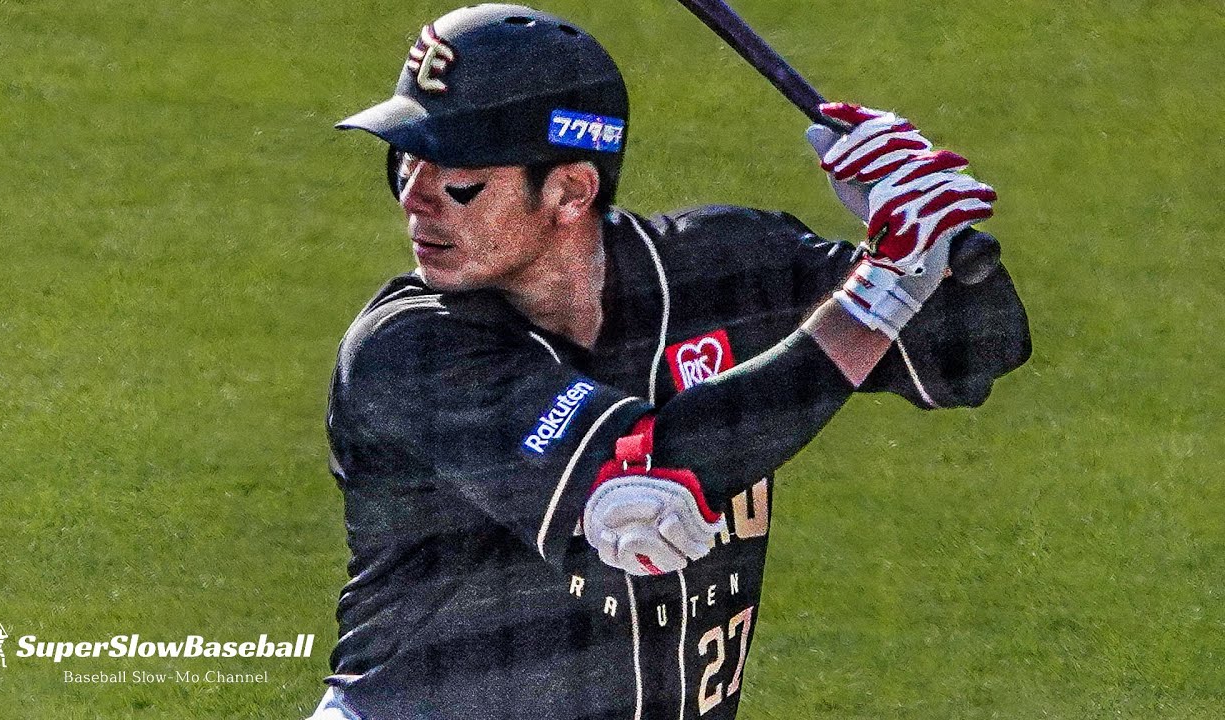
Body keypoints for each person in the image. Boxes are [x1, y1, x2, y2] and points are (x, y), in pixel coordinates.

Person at [311, 4, 1030, 719]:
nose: (415, 199)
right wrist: (882, 290)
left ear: (571, 190)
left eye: (459, 181)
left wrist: (936, 240)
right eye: (405, 161)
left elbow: (973, 354)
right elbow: (646, 495)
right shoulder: (406, 349)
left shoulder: (724, 266)